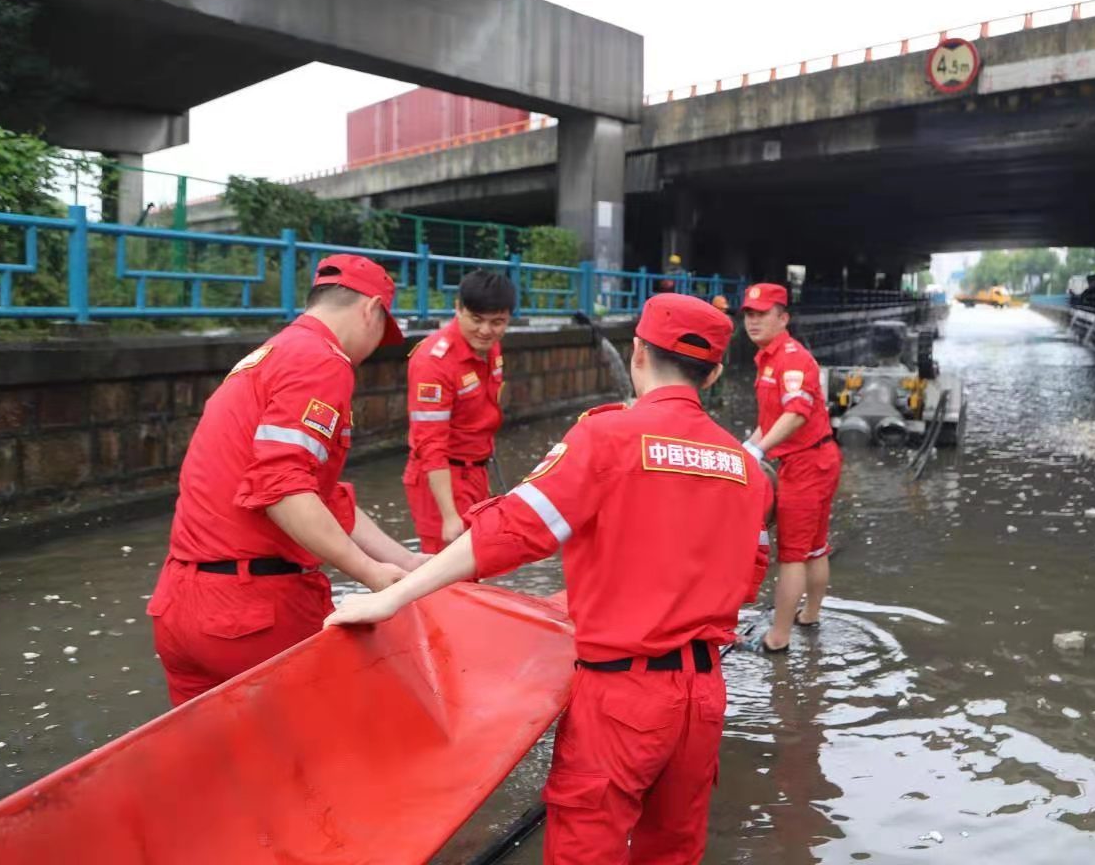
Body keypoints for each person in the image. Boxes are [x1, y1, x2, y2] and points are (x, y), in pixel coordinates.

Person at [326, 293, 772, 865]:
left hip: (620, 696)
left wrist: (393, 596)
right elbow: (748, 576)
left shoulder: (607, 438)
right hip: (703, 697)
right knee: (674, 848)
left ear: (637, 353)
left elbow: (508, 533)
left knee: (587, 845)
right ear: (712, 374)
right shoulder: (745, 467)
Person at [146, 255, 425, 706]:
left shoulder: (269, 356)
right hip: (253, 614)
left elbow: (320, 496)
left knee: (215, 764)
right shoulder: (322, 362)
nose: (375, 348)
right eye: (381, 334)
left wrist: (407, 564)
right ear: (371, 310)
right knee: (340, 747)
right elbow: (284, 490)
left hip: (180, 607)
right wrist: (372, 574)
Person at [739, 282, 842, 653]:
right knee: (815, 547)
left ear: (783, 317)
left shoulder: (791, 359)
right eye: (748, 314)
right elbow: (773, 418)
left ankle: (778, 637)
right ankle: (810, 615)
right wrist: (748, 447)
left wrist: (758, 450)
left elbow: (796, 413)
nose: (753, 322)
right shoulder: (768, 357)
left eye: (762, 314)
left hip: (807, 464)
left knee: (794, 553)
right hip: (814, 458)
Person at [403, 270, 515, 553]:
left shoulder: (490, 347)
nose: (486, 331)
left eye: (497, 322)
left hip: (476, 470)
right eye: (476, 319)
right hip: (441, 479)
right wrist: (449, 514)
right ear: (458, 308)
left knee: (477, 561)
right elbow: (431, 444)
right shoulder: (435, 362)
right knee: (443, 574)